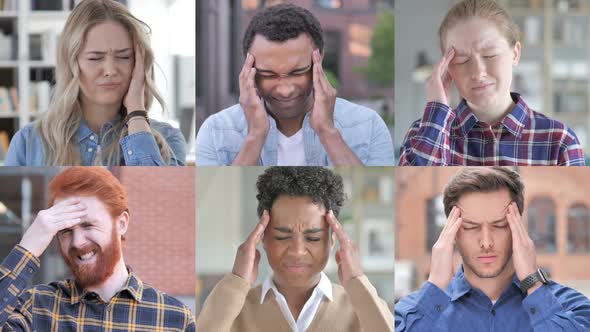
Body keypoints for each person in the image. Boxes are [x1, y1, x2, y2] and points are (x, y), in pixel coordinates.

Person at [196, 167, 393, 331]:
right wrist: (236, 281)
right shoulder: (232, 312)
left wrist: (357, 281)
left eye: (313, 238)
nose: (297, 251)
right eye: (282, 236)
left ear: (332, 241)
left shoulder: (362, 310)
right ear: (262, 238)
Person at [196, 4, 394, 166]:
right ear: (249, 69)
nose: (285, 89)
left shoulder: (369, 126)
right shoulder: (215, 132)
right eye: (268, 75)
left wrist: (328, 131)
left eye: (297, 72)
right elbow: (214, 204)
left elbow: (371, 198)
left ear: (319, 58)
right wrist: (255, 137)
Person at [395, 167, 590, 331]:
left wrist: (533, 283)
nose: (486, 242)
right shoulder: (409, 313)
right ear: (452, 232)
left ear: (518, 227)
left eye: (499, 225)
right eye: (471, 227)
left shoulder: (570, 307)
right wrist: (436, 286)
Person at [0, 167, 195, 331]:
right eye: (66, 230)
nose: (77, 242)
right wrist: (28, 247)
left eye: (88, 225)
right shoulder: (35, 308)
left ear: (121, 223)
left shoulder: (175, 319)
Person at [399, 0, 585, 166]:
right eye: (462, 60)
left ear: (515, 54)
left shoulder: (560, 141)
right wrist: (437, 108)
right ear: (446, 67)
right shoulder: (420, 134)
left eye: (490, 55)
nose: (478, 73)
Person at [5, 0, 186, 166]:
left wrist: (137, 112)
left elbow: (156, 199)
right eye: (95, 58)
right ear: (71, 63)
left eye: (124, 57)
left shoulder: (168, 139)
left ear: (139, 63)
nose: (110, 70)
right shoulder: (28, 142)